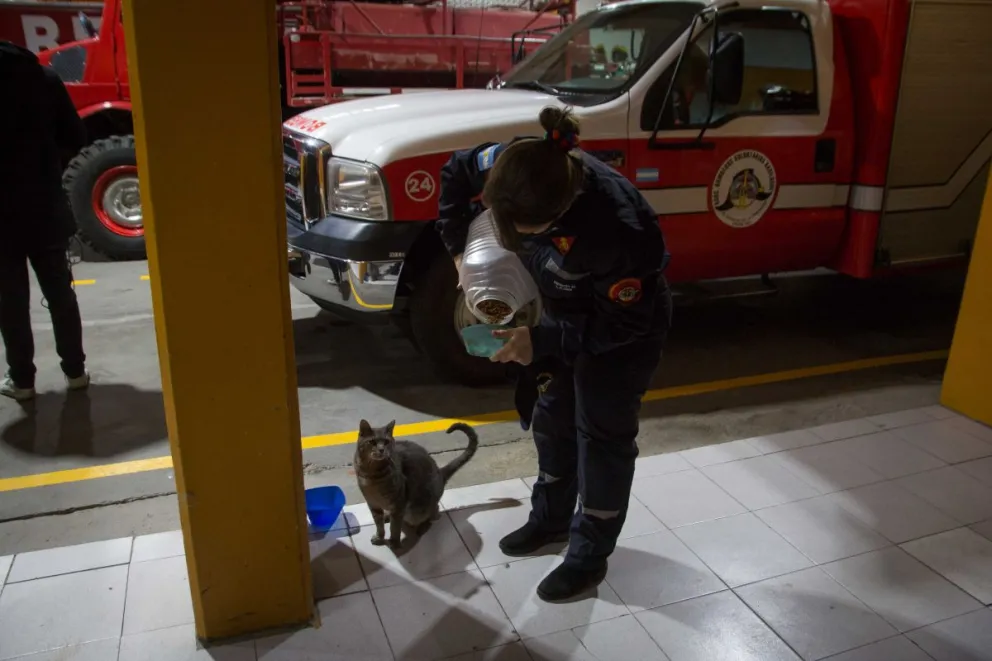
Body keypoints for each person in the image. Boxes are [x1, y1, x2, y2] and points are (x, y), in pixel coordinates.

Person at [437, 106, 672, 601]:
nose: (511, 235)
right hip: (558, 308)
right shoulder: (517, 162)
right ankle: (550, 520)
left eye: (523, 230)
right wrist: (460, 253)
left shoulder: (622, 233)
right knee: (552, 417)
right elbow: (456, 171)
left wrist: (539, 340)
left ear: (558, 214)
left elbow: (623, 324)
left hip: (617, 332)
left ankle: (588, 557)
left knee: (600, 438)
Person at [0, 41, 89, 401]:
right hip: (43, 205)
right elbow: (76, 137)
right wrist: (47, 167)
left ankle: (22, 381)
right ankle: (76, 372)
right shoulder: (44, 78)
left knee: (10, 300)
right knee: (60, 293)